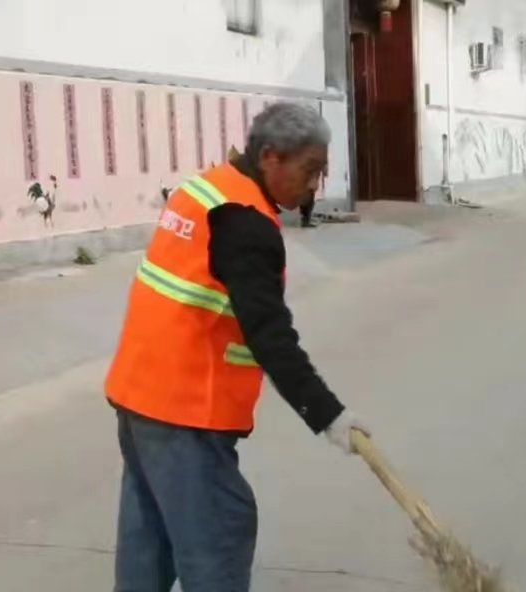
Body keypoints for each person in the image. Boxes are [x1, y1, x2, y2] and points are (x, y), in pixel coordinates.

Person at [105, 102, 369, 591]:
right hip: (187, 416)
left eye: (322, 172)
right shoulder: (245, 224)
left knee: (148, 549)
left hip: (138, 401)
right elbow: (270, 334)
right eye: (309, 170)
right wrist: (329, 415)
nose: (316, 185)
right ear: (270, 156)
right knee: (218, 546)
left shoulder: (203, 189)